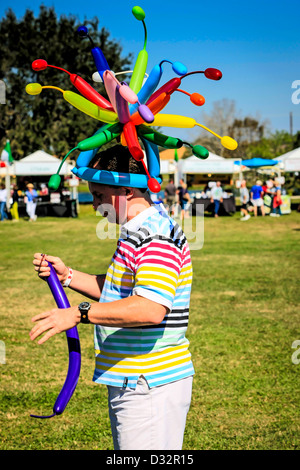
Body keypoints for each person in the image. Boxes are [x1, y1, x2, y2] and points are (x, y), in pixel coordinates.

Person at [30, 145, 194, 451]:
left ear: (127, 191)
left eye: (99, 195)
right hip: (137, 379)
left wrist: (78, 314)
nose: (94, 205)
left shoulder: (155, 236)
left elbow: (150, 308)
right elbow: (123, 291)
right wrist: (67, 276)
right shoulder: (138, 230)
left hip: (148, 384)